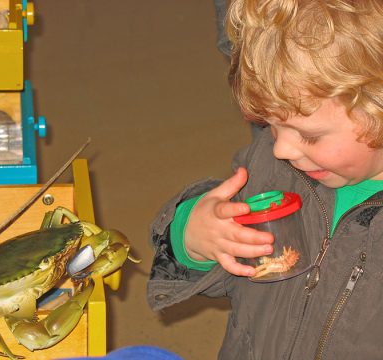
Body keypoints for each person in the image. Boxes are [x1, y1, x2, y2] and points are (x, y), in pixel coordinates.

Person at [147, 1, 383, 359]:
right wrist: (192, 235)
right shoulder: (277, 170)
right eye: (270, 125)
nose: (281, 149)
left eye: (309, 136)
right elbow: (237, 263)